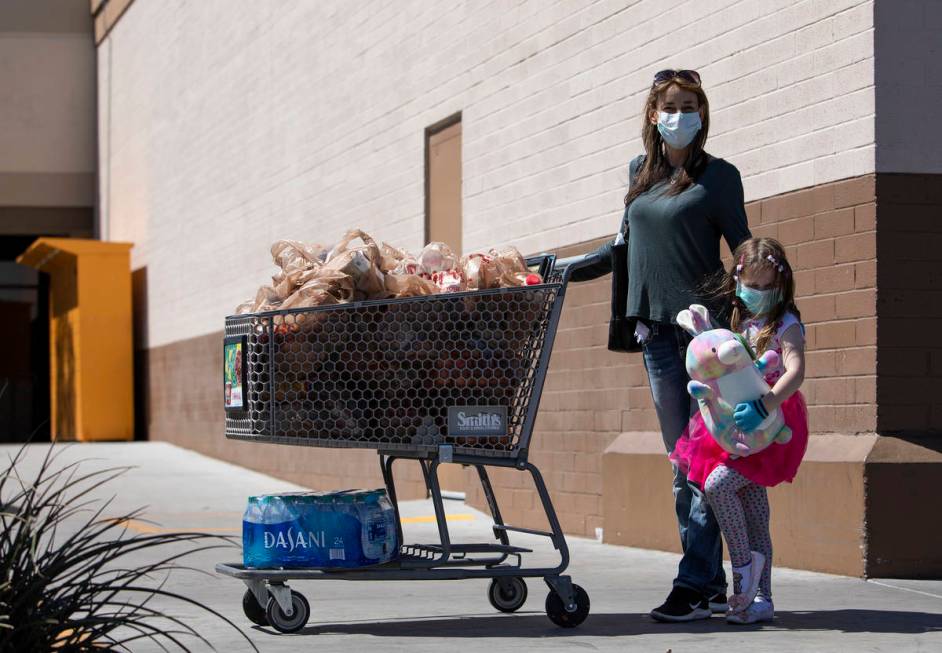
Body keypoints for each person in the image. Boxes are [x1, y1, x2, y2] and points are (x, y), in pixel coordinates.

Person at [572, 68, 751, 621]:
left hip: (704, 338)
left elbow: (743, 250)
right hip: (655, 336)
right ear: (654, 113)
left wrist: (763, 315)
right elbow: (624, 245)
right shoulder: (640, 173)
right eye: (671, 105)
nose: (681, 114)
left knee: (701, 461)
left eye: (691, 104)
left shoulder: (719, 177)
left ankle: (693, 583)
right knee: (683, 463)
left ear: (702, 113)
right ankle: (711, 582)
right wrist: (560, 269)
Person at [670, 237, 809, 624]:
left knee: (718, 485)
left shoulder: (787, 325)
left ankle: (743, 575)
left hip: (769, 423)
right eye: (754, 286)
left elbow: (795, 372)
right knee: (754, 511)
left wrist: (767, 403)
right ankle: (760, 599)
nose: (760, 293)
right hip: (735, 424)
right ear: (738, 283)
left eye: (768, 287)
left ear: (782, 285)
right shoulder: (743, 322)